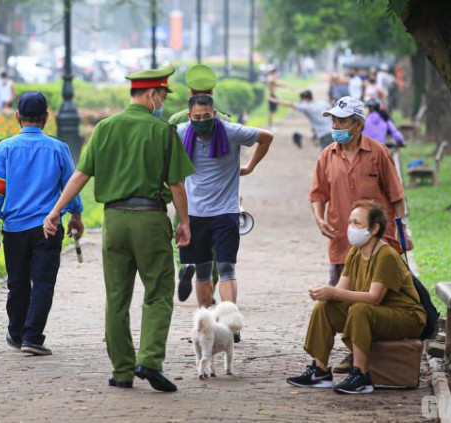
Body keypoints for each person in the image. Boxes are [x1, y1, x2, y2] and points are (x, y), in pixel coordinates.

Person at [43, 66, 195, 393]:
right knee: (157, 292)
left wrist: (55, 212)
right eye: (163, 95)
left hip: (114, 222)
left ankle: (122, 370)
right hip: (150, 220)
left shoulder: (104, 128)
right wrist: (184, 222)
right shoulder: (163, 131)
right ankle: (150, 360)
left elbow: (80, 176)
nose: (162, 102)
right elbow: (177, 184)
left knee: (116, 297)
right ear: (153, 94)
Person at [286, 200, 426, 394]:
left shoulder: (385, 255)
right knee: (325, 307)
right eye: (350, 222)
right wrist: (323, 293)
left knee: (360, 310)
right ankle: (319, 371)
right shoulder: (355, 252)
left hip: (407, 316)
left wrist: (334, 292)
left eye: (357, 223)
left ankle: (360, 375)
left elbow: (374, 297)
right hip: (377, 312)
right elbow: (341, 291)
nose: (351, 228)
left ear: (374, 227)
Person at [0, 91, 84, 356]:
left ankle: (16, 333)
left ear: (17, 115)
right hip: (47, 228)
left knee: (17, 282)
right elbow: (69, 188)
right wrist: (76, 215)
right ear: (46, 118)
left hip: (14, 229)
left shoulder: (4, 148)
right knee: (42, 282)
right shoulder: (58, 148)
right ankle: (32, 336)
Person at [177, 94, 273, 334]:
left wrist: (250, 166)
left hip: (226, 212)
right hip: (195, 213)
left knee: (227, 268)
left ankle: (230, 326)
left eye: (207, 117)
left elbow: (266, 137)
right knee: (203, 270)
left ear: (215, 114)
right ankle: (206, 326)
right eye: (197, 118)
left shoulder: (232, 132)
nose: (202, 121)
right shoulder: (179, 133)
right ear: (189, 117)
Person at [309, 95, 409, 289]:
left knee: (377, 298)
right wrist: (319, 219)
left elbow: (396, 195)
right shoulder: (327, 156)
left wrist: (401, 228)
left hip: (378, 240)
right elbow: (317, 195)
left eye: (342, 121)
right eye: (334, 121)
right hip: (340, 240)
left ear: (358, 125)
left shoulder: (378, 152)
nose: (335, 126)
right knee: (338, 298)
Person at [168, 64, 221, 302]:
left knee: (183, 231)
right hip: (216, 195)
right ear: (212, 91)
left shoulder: (176, 120)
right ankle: (209, 291)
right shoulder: (220, 119)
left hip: (185, 189)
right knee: (215, 250)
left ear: (190, 91)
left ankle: (185, 263)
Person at [269, 90, 333, 150]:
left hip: (325, 134)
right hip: (334, 130)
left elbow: (291, 104)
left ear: (304, 99)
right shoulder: (323, 103)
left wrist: (276, 100)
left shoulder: (306, 106)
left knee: (325, 157)